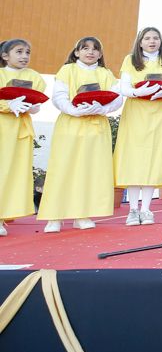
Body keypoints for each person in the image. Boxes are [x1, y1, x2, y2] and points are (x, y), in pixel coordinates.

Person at [37, 37, 123, 232]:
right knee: (63, 169)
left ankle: (82, 214)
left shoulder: (105, 73)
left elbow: (117, 99)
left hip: (96, 128)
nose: (90, 52)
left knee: (89, 170)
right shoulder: (68, 70)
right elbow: (59, 96)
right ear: (76, 52)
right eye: (85, 48)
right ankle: (54, 216)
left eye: (95, 50)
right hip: (71, 126)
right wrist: (75, 111)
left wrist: (101, 108)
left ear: (100, 55)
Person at [114, 27, 162, 225]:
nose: (152, 41)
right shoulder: (130, 60)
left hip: (160, 113)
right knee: (135, 158)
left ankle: (146, 209)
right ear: (140, 41)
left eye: (156, 38)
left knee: (154, 157)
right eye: (147, 38)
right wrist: (139, 92)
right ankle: (133, 209)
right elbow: (124, 87)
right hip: (136, 113)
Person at [0, 39, 45, 236]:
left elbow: (36, 101)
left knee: (13, 174)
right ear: (4, 55)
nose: (24, 56)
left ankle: (3, 217)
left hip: (20, 131)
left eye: (27, 52)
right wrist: (7, 105)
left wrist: (34, 106)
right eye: (19, 52)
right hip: (2, 128)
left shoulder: (33, 76)